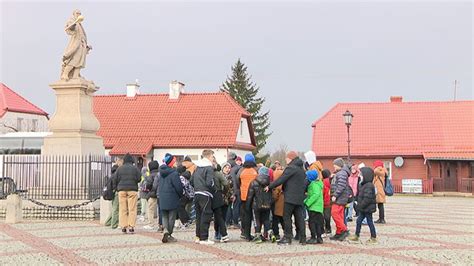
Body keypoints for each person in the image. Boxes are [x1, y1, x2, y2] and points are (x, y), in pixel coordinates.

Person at [266, 151, 307, 246]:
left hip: (290, 197)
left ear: (291, 158)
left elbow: (281, 179)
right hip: (299, 197)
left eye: (287, 158)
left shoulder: (291, 168)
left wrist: (270, 186)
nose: (285, 159)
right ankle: (303, 238)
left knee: (286, 217)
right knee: (300, 218)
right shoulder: (301, 169)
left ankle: (287, 237)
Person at [191, 150, 217, 245]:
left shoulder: (197, 167)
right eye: (212, 157)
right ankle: (204, 238)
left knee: (199, 216)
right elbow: (209, 182)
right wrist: (214, 189)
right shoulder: (209, 168)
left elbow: (191, 181)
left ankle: (198, 236)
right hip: (206, 194)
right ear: (209, 157)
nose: (213, 158)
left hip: (197, 193)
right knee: (206, 215)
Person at [158, 153, 183, 243]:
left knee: (164, 215)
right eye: (175, 162)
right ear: (171, 163)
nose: (176, 163)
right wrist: (181, 194)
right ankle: (169, 234)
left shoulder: (160, 172)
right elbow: (178, 187)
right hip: (172, 196)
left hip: (162, 196)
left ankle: (165, 230)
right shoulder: (174, 173)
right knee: (171, 217)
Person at [349, 167, 377, 243]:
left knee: (370, 222)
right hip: (363, 208)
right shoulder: (363, 184)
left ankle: (373, 237)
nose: (359, 176)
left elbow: (367, 199)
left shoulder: (369, 185)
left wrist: (360, 206)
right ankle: (356, 235)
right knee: (358, 221)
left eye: (361, 174)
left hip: (367, 208)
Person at [116, 153, 141, 234]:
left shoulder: (120, 169)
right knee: (132, 209)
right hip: (132, 190)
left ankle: (123, 226)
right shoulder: (135, 168)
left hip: (122, 190)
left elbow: (116, 178)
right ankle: (131, 226)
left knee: (123, 209)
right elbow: (139, 179)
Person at [246, 166, 272, 244]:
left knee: (256, 219)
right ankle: (270, 233)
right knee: (266, 219)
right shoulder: (270, 183)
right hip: (267, 205)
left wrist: (248, 206)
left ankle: (258, 235)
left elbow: (250, 196)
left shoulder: (254, 182)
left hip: (256, 205)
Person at [236, 153, 259, 241]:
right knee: (256, 216)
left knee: (246, 216)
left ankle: (246, 234)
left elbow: (238, 181)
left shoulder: (241, 170)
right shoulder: (256, 169)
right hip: (255, 196)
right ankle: (258, 234)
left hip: (244, 196)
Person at [330, 158, 351, 241]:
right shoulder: (340, 173)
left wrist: (335, 195)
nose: (334, 167)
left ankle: (344, 230)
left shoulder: (341, 173)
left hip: (340, 198)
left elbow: (341, 186)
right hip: (342, 198)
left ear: (338, 165)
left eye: (334, 165)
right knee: (340, 215)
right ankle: (339, 233)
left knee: (334, 213)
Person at [211, 161, 230, 242]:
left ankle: (221, 233)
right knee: (219, 216)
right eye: (225, 167)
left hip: (224, 199)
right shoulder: (218, 174)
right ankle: (219, 233)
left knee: (221, 216)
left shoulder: (230, 176)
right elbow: (226, 185)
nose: (227, 169)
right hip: (220, 197)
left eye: (229, 167)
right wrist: (224, 192)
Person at [304, 170, 324, 244]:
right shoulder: (319, 184)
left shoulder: (314, 184)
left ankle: (313, 237)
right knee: (318, 223)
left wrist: (307, 202)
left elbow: (315, 195)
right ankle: (319, 238)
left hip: (314, 207)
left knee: (312, 222)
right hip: (319, 207)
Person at [143, 161, 159, 230]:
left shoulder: (151, 175)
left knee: (150, 210)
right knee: (160, 210)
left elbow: (148, 185)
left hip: (152, 195)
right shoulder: (160, 174)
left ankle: (151, 224)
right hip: (160, 194)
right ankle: (160, 224)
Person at [228, 153, 243, 229]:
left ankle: (227, 222)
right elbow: (238, 179)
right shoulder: (238, 167)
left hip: (228, 189)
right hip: (236, 189)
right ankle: (235, 222)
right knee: (236, 206)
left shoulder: (226, 166)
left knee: (228, 207)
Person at [271, 163, 285, 241]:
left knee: (275, 220)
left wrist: (272, 199)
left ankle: (276, 234)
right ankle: (287, 232)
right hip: (284, 205)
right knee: (283, 220)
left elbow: (275, 195)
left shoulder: (277, 185)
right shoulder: (285, 184)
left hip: (277, 205)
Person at [105, 164, 120, 229]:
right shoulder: (115, 176)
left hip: (112, 194)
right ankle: (114, 224)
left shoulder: (111, 176)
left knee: (114, 208)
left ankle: (108, 222)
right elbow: (115, 185)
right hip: (116, 193)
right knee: (115, 209)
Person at [321, 169, 332, 235]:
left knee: (323, 217)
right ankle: (328, 228)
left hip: (324, 201)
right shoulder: (331, 181)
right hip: (329, 201)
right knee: (328, 216)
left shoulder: (323, 182)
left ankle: (325, 229)